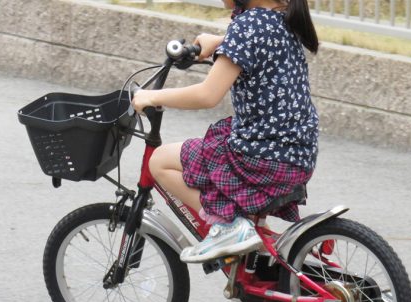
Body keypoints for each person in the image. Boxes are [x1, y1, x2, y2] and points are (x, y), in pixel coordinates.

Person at [132, 0, 319, 263]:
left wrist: (151, 97)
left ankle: (228, 227)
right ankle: (255, 257)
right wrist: (221, 40)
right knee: (223, 142)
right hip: (296, 155)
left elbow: (207, 95)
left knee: (159, 161)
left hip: (260, 160)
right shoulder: (283, 16)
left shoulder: (245, 27)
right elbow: (258, 39)